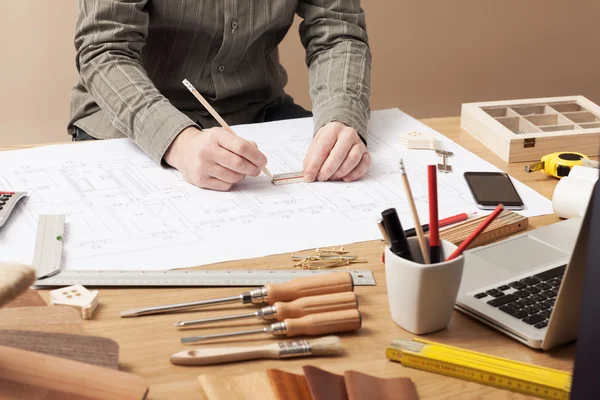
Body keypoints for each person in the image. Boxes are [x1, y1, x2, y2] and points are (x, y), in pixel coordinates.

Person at [68, 1, 372, 191]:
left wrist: (341, 116)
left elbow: (338, 34)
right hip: (130, 118)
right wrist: (179, 143)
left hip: (256, 109)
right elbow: (104, 49)